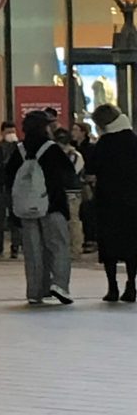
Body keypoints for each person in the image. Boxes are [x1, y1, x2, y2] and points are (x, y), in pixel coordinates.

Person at [5, 109, 74, 305]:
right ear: (44, 127)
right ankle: (59, 284)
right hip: (52, 205)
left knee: (33, 249)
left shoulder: (19, 150)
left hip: (26, 207)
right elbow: (68, 172)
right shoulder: (51, 148)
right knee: (58, 245)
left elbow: (8, 176)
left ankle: (35, 291)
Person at [87, 103, 137, 303]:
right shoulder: (133, 140)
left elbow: (91, 168)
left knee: (109, 246)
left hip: (108, 201)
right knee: (132, 245)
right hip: (133, 202)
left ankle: (112, 287)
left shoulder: (105, 143)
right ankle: (132, 284)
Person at [0, 120, 22, 260]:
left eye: (13, 132)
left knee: (16, 219)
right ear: (2, 133)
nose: (11, 135)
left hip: (16, 188)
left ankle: (15, 247)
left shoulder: (20, 149)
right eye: (8, 132)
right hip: (1, 188)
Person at [54, 127, 85, 261]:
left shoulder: (73, 155)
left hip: (70, 191)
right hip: (67, 191)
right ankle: (69, 248)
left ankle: (75, 248)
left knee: (72, 221)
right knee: (69, 222)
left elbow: (72, 173)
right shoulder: (74, 155)